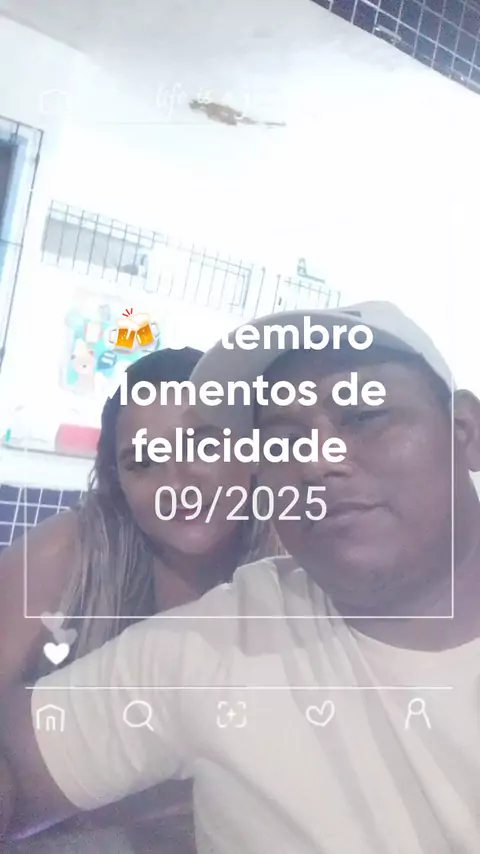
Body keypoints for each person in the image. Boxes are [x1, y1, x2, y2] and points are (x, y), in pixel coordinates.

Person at [0, 302, 479, 854]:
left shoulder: (281, 556)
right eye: (283, 439)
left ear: (465, 430)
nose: (317, 460)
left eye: (364, 416)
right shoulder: (215, 633)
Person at [0, 346, 281, 853]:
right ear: (117, 483)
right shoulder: (66, 557)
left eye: (203, 445)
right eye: (144, 462)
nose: (178, 481)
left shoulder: (295, 574)